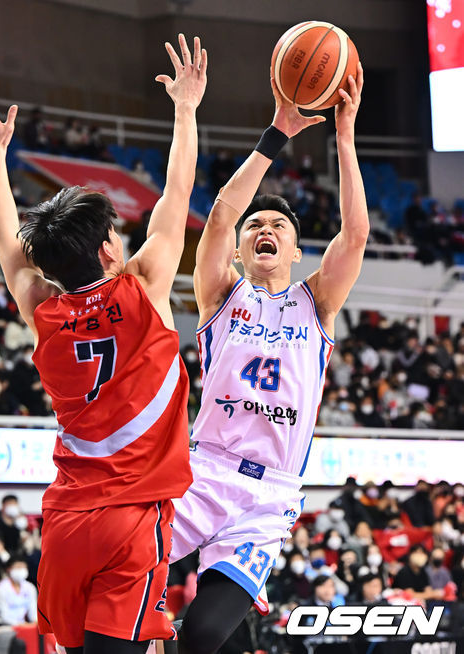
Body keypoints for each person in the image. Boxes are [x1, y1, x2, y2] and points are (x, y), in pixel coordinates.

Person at [0, 32, 207, 654]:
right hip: (131, 517)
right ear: (107, 249)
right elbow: (176, 197)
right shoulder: (144, 287)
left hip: (65, 523)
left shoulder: (41, 308)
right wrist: (185, 108)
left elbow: (8, 239)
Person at [169, 63, 367, 654]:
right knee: (121, 580)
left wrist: (344, 136)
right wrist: (274, 136)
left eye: (279, 225)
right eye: (256, 224)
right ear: (241, 245)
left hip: (269, 493)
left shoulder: (318, 302)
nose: (266, 229)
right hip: (203, 471)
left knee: (203, 634)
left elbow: (354, 237)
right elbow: (221, 217)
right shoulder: (222, 293)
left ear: (296, 248)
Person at [0, 557, 37, 626]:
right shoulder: (2, 588)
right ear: (9, 569)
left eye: (24, 568)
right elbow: (3, 615)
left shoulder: (30, 587)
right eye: (18, 567)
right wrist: (20, 624)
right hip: (7, 625)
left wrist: (35, 622)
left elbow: (33, 610)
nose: (21, 570)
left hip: (26, 625)